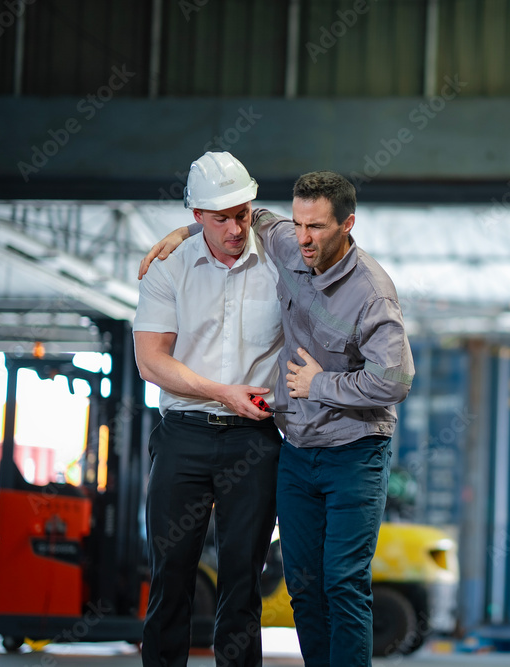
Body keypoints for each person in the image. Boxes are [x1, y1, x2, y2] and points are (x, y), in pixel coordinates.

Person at [141, 170, 414, 666]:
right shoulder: (284, 243)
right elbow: (247, 218)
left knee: (339, 583)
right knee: (301, 589)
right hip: (294, 450)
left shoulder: (368, 291)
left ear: (348, 225)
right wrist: (187, 230)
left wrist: (320, 385)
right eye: (299, 224)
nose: (304, 237)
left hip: (348, 451)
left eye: (317, 227)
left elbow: (395, 380)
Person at [133, 151, 283, 667]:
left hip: (254, 439)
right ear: (197, 215)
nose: (236, 229)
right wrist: (222, 392)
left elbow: (322, 235)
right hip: (184, 436)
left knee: (243, 582)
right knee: (171, 576)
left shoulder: (280, 261)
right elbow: (151, 361)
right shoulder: (168, 268)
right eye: (221, 219)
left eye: (243, 214)